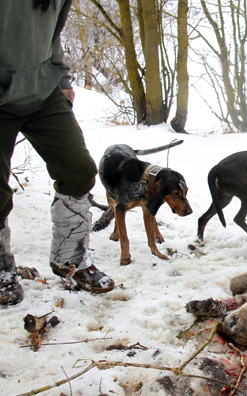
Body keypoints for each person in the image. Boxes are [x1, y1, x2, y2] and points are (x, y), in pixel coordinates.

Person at [0, 0, 115, 305]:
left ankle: (70, 256)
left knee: (78, 170)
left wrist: (61, 78)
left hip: (42, 89)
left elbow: (53, 33)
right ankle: (1, 266)